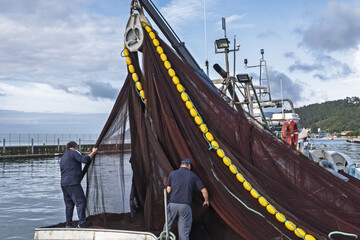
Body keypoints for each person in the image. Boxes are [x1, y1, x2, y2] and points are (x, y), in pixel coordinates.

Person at [164, 158, 209, 240]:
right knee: (183, 235)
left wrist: (166, 184)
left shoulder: (172, 174)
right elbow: (204, 191)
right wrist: (206, 201)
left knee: (166, 229)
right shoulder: (193, 176)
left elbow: (168, 190)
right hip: (185, 207)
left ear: (181, 165)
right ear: (189, 166)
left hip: (172, 205)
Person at [60, 141, 98, 228]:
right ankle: (81, 224)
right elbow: (85, 160)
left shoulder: (64, 156)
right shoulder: (74, 152)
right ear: (75, 147)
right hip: (73, 182)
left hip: (64, 184)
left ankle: (68, 225)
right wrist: (93, 152)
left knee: (69, 205)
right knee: (81, 203)